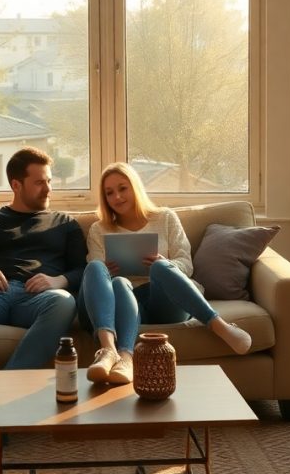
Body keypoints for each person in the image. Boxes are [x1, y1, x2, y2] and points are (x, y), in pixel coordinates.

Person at [0, 147, 87, 450]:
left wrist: (57, 280)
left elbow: (82, 269)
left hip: (36, 300)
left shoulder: (66, 223)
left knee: (65, 300)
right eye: (39, 182)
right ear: (16, 185)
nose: (48, 188)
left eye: (49, 181)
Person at [78, 162, 252, 386]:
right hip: (126, 305)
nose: (117, 197)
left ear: (135, 187)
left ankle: (220, 325)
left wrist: (164, 263)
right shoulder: (98, 230)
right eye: (109, 193)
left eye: (123, 188)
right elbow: (96, 279)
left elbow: (186, 264)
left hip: (165, 300)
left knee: (161, 267)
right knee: (111, 278)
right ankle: (117, 355)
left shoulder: (165, 218)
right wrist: (107, 271)